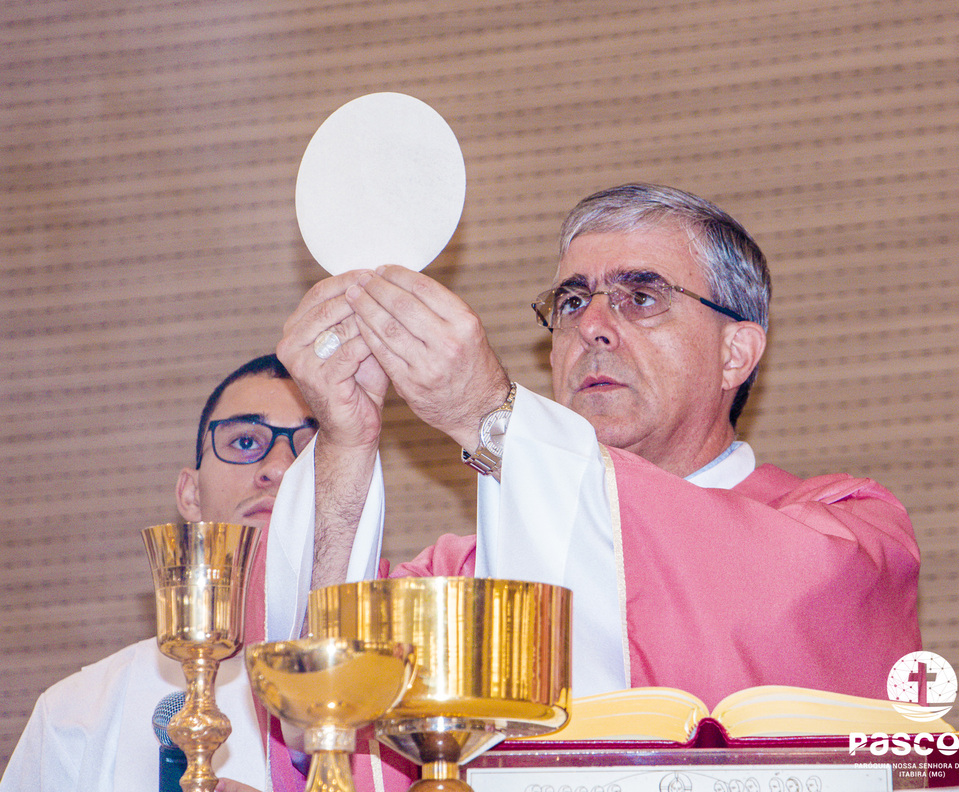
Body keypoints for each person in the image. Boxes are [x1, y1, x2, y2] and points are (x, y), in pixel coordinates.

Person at [272, 181, 921, 704]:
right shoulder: (475, 572)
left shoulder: (849, 534)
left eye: (641, 297)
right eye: (573, 301)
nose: (593, 326)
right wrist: (347, 443)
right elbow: (326, 701)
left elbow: (747, 605)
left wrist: (490, 416)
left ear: (736, 353)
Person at [1, 354, 317, 792]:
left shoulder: (398, 698)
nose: (278, 468)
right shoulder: (76, 715)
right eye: (245, 441)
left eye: (313, 447)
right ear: (190, 495)